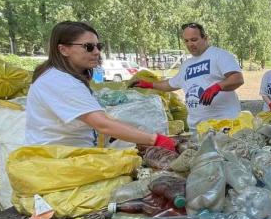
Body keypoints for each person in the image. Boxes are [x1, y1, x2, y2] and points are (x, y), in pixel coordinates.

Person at [25, 21, 176, 151]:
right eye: (89, 47)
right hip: (57, 162)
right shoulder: (60, 82)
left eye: (99, 46)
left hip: (69, 155)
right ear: (63, 49)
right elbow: (102, 124)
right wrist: (155, 140)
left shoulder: (60, 77)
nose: (97, 52)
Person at [130, 23, 244, 129]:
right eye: (186, 41)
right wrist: (149, 85)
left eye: (194, 40)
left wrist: (217, 87)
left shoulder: (219, 55)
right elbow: (171, 84)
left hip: (223, 124)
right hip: (196, 127)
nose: (190, 44)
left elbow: (237, 79)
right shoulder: (186, 64)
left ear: (205, 38)